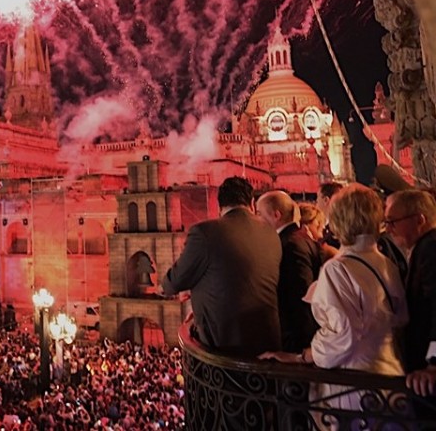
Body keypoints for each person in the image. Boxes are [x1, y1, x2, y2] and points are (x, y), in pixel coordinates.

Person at [260, 183, 408, 416]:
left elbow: (343, 335)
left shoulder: (337, 269)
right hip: (389, 379)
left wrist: (305, 355)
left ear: (339, 220)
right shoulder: (385, 263)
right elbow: (400, 319)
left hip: (355, 391)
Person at [162, 176, 282, 356]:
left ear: (219, 206)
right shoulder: (271, 232)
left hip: (224, 351)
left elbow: (172, 284)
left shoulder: (204, 233)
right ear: (251, 202)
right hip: (268, 345)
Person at [383, 189, 436, 396]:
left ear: (419, 220)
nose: (387, 229)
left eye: (392, 221)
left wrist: (433, 363)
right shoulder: (422, 247)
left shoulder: (430, 248)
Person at [256, 190, 321, 353]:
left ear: (276, 215)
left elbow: (300, 294)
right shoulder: (301, 238)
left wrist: (300, 344)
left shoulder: (290, 245)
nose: (257, 220)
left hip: (295, 339)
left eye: (259, 214)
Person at [317, 182, 344, 249]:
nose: (316, 201)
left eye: (318, 197)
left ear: (326, 200)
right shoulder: (342, 225)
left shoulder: (335, 230)